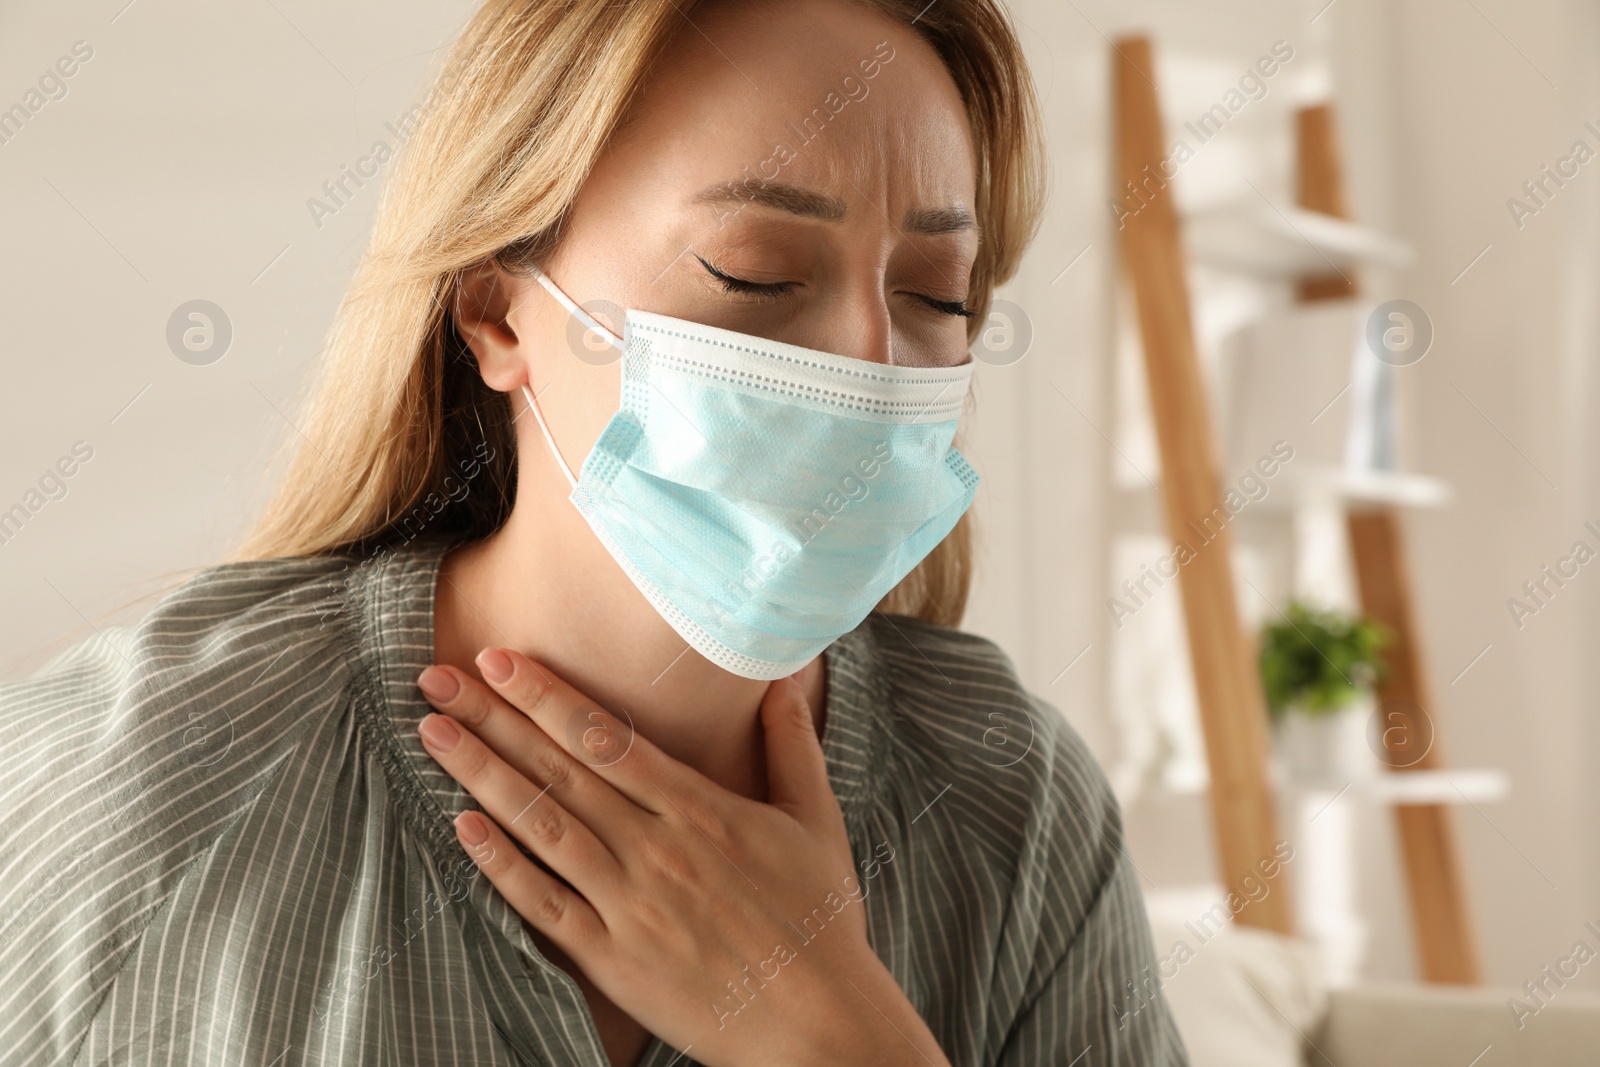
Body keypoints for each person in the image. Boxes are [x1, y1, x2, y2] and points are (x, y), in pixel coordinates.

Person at [0, 0, 1190, 1064]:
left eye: (935, 293)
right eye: (757, 270)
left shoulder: (1010, 805)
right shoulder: (148, 783)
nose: (867, 368)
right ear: (496, 311)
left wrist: (835, 1033)